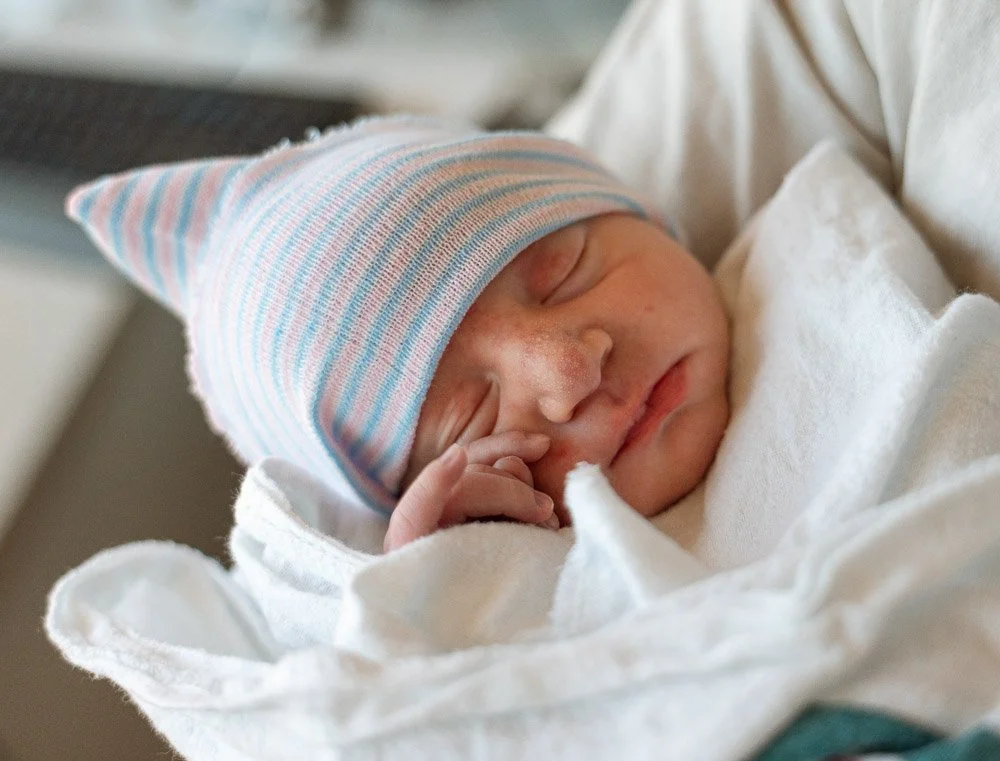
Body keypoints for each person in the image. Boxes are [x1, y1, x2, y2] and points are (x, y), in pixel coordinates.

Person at [65, 116, 730, 553]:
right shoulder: (506, 607)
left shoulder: (805, 210)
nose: (568, 371)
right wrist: (444, 583)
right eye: (473, 414)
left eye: (564, 273)